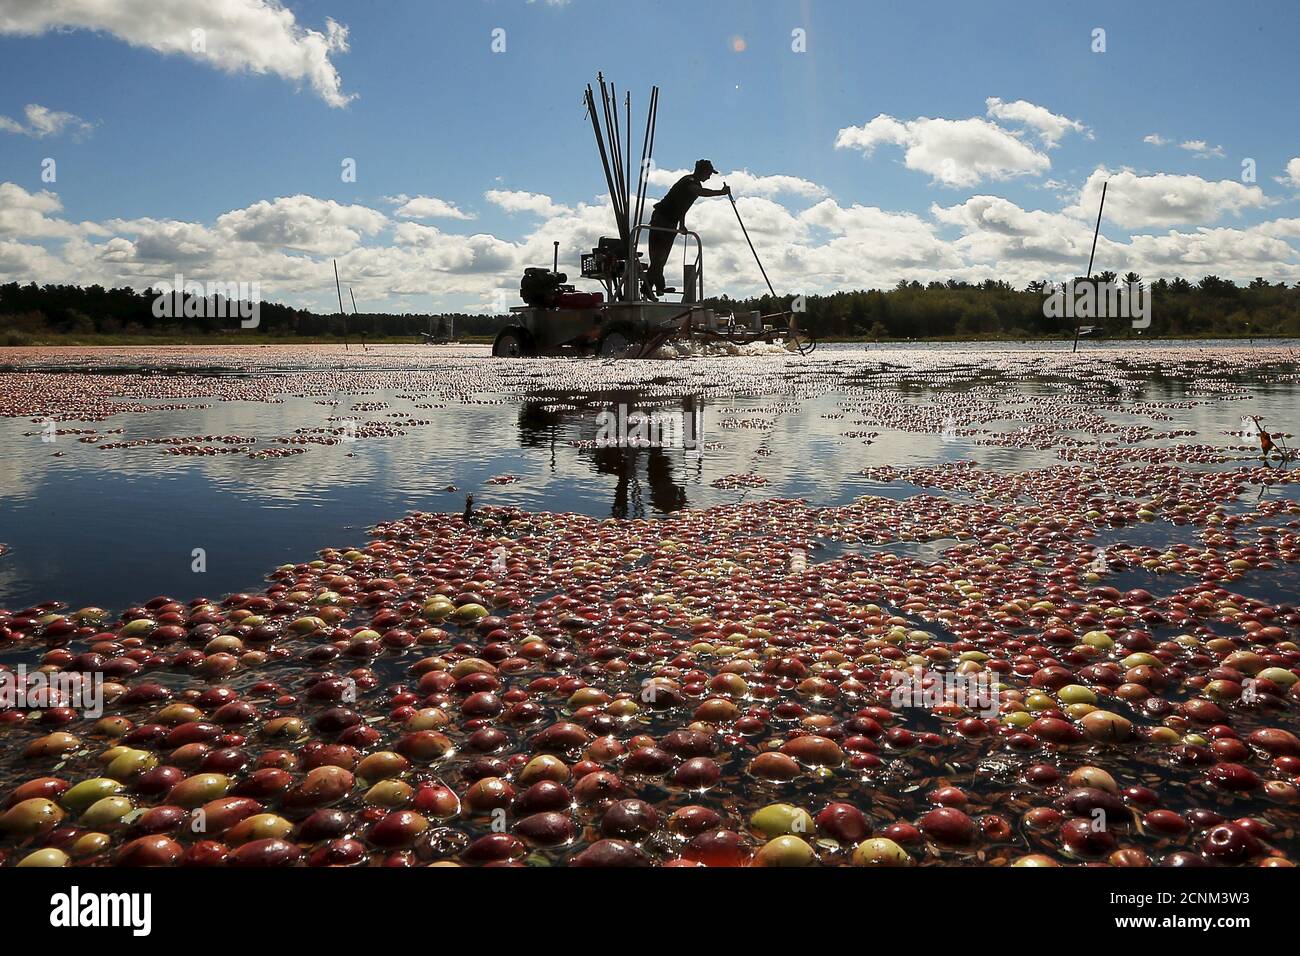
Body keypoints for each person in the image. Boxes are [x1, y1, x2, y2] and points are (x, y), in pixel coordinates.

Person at [644, 159, 730, 300]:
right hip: (662, 219)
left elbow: (683, 207)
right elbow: (699, 192)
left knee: (661, 258)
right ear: (702, 171)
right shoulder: (689, 181)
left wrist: (682, 224)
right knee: (658, 258)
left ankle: (657, 286)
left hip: (671, 221)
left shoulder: (694, 183)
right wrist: (720, 193)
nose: (709, 176)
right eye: (709, 173)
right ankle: (650, 288)